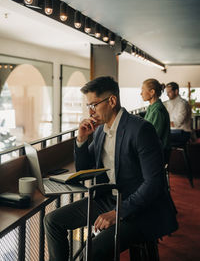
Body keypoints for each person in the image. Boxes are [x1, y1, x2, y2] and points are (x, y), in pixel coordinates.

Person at [44, 76, 178, 261]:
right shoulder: (100, 130)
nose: (90, 112)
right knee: (51, 221)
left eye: (94, 105)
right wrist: (82, 140)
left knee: (91, 252)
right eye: (88, 106)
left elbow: (154, 184)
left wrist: (118, 212)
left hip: (140, 209)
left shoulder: (141, 130)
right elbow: (84, 168)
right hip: (108, 199)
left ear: (112, 101)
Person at [141, 78, 171, 164]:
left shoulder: (158, 110)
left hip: (159, 152)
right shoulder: (151, 107)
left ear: (152, 92)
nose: (141, 93)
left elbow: (153, 136)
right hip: (154, 149)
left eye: (143, 90)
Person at [165, 82, 192, 146]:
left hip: (183, 133)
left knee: (159, 137)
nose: (167, 94)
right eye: (166, 92)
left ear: (176, 91)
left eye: (169, 92)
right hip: (173, 132)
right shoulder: (168, 103)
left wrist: (164, 123)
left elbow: (177, 123)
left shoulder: (183, 104)